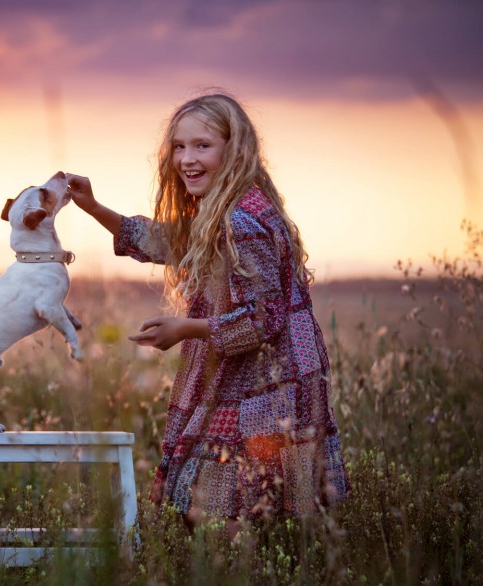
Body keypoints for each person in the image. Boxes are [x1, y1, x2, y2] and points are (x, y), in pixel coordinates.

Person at [66, 92, 349, 535]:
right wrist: (94, 207)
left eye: (202, 145)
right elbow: (169, 241)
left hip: (266, 384)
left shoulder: (241, 219)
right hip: (253, 378)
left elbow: (262, 320)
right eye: (179, 146)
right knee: (227, 511)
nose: (186, 159)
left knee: (227, 515)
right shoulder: (223, 210)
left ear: (233, 150)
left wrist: (184, 329)